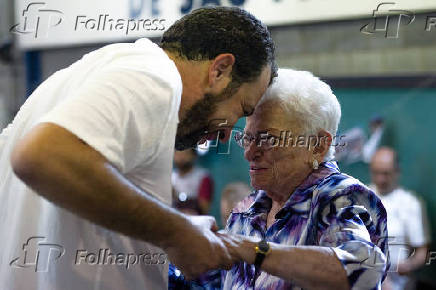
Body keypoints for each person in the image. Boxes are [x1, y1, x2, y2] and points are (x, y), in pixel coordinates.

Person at [0, 7, 276, 290]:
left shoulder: (81, 76)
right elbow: (42, 156)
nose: (226, 134)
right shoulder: (155, 78)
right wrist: (178, 234)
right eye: (241, 109)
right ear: (219, 70)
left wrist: (177, 227)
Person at [201, 68, 389, 289]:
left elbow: (363, 270)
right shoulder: (248, 210)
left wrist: (252, 250)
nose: (249, 152)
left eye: (267, 139)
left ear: (318, 145)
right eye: (248, 138)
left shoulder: (338, 197)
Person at [369, 147, 430, 290]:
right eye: (376, 173)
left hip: (400, 283)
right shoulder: (361, 197)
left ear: (397, 172)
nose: (381, 179)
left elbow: (422, 251)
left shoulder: (410, 203)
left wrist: (409, 265)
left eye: (386, 173)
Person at [172, 148, 214, 215]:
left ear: (193, 155)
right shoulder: (171, 177)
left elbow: (204, 208)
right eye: (177, 153)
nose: (181, 157)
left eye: (185, 154)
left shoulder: (202, 177)